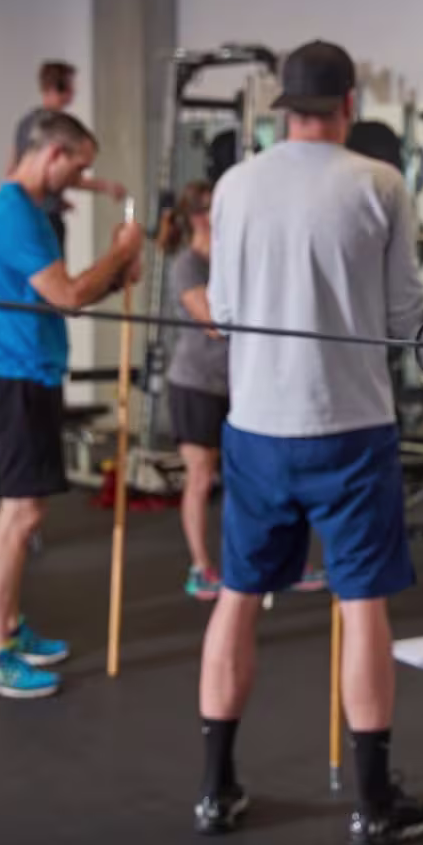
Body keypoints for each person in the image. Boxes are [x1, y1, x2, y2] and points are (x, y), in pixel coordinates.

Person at [197, 40, 423, 845]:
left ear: (283, 108)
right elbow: (407, 320)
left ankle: (214, 790)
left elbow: (224, 311)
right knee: (360, 602)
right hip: (351, 427)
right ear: (349, 106)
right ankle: (373, 805)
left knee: (237, 594)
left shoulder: (234, 185)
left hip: (257, 427)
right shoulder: (380, 184)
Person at [0, 111, 145, 700]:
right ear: (52, 154)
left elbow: (60, 293)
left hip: (31, 372)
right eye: (78, 165)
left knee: (24, 513)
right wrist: (118, 257)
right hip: (16, 378)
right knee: (18, 516)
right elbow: (68, 297)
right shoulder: (16, 216)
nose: (80, 177)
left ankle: (10, 630)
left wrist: (117, 273)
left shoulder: (28, 212)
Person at [159, 181, 232, 601]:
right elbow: (212, 321)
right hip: (194, 382)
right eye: (207, 210)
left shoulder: (230, 259)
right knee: (201, 476)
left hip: (235, 381)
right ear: (195, 218)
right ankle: (201, 567)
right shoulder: (187, 265)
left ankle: (261, 560)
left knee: (249, 476)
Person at [8, 60, 125, 246]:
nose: (74, 91)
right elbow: (64, 175)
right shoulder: (53, 127)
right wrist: (105, 186)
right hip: (44, 218)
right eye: (71, 85)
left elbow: (11, 169)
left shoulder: (24, 123)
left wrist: (53, 198)